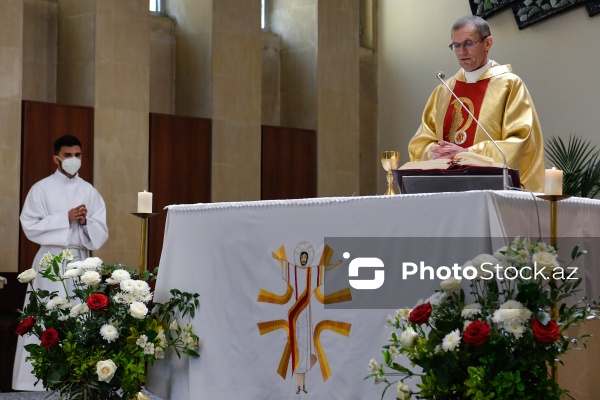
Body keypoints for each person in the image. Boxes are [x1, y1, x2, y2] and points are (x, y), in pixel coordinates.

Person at [13, 134, 109, 391]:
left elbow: (101, 231)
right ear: (56, 158)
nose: (73, 160)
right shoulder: (41, 188)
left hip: (79, 260)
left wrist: (86, 221)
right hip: (51, 259)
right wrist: (64, 218)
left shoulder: (89, 190)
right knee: (48, 312)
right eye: (68, 155)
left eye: (78, 155)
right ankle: (39, 380)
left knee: (79, 315)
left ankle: (78, 376)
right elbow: (30, 225)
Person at [408, 15, 545, 192]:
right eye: (456, 45)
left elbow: (521, 143)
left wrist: (467, 154)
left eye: (468, 43)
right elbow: (420, 142)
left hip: (490, 191)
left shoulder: (509, 85)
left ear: (488, 43)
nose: (461, 51)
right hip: (445, 190)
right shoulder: (444, 90)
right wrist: (438, 153)